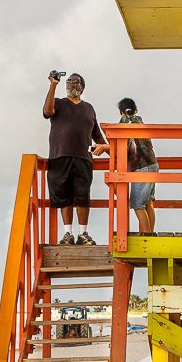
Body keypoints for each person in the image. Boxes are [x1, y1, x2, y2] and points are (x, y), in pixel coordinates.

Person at [43, 72, 107, 245]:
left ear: (82, 87)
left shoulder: (89, 108)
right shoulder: (58, 102)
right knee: (64, 196)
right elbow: (47, 111)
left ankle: (83, 233)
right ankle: (68, 234)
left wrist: (113, 152)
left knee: (82, 196)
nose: (71, 85)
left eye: (75, 82)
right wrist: (53, 84)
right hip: (59, 155)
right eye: (69, 82)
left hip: (83, 157)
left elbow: (97, 136)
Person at [95, 98, 158, 233]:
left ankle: (147, 237)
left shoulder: (124, 123)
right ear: (136, 110)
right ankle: (150, 234)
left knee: (137, 204)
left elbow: (123, 149)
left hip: (141, 168)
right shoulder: (140, 121)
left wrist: (105, 147)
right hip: (153, 164)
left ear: (121, 112)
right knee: (148, 203)